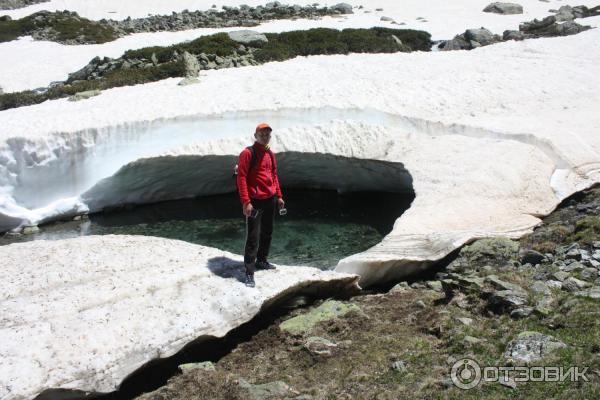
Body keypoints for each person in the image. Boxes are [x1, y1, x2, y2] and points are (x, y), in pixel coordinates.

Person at [236, 123, 285, 287]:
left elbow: (274, 175)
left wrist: (279, 196)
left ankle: (262, 260)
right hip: (255, 201)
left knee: (267, 232)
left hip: (270, 199)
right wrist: (246, 201)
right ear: (255, 135)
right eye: (262, 133)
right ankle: (249, 272)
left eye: (267, 134)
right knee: (253, 236)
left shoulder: (269, 153)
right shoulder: (248, 153)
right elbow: (241, 177)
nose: (265, 136)